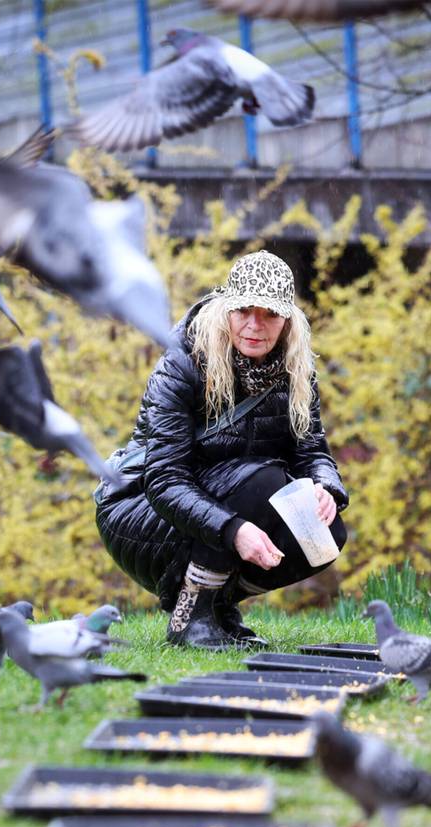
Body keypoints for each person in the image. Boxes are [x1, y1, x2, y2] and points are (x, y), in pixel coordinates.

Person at [95, 250, 348, 650]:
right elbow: (164, 479)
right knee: (261, 480)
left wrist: (325, 488)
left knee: (326, 532)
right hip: (139, 510)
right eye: (244, 311)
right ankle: (190, 617)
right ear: (226, 309)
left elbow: (311, 449)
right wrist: (234, 530)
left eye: (269, 314)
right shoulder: (182, 365)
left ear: (287, 319)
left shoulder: (297, 369)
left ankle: (217, 607)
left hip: (218, 502)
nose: (254, 325)